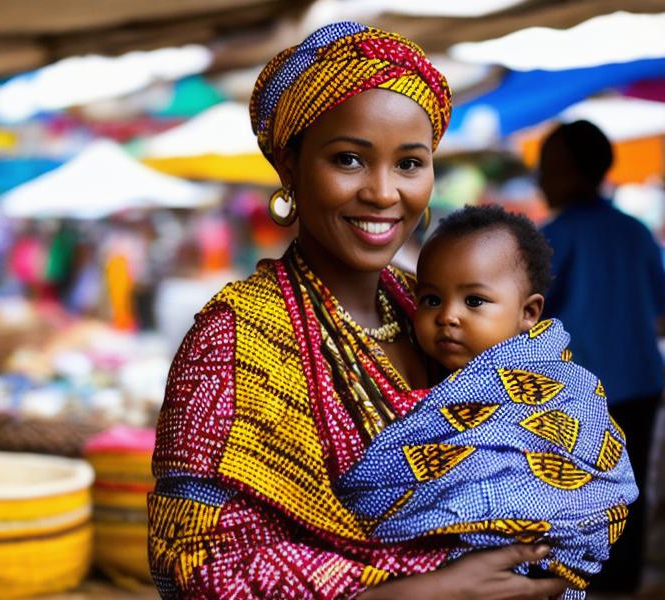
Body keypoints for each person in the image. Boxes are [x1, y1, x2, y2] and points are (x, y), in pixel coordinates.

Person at [149, 21, 568, 598]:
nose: (383, 192)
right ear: (290, 169)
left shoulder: (429, 304)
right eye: (349, 160)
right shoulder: (233, 341)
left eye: (409, 163)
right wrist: (426, 591)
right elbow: (190, 562)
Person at [338, 205, 637, 597]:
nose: (448, 316)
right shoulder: (432, 377)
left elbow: (597, 466)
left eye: (474, 301)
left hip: (529, 561)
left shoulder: (555, 384)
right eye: (430, 300)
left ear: (528, 312)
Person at [538, 119, 665, 593]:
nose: (541, 181)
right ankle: (624, 583)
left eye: (548, 169)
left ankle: (582, 583)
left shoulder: (550, 238)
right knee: (628, 496)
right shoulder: (635, 233)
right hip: (641, 383)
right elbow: (659, 306)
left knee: (581, 498)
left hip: (580, 395)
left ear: (572, 171)